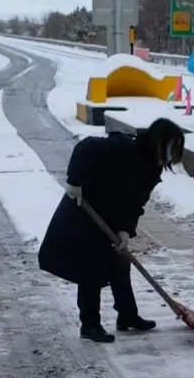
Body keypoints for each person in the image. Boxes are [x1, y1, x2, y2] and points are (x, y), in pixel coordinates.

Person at [38, 118, 186, 343]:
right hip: (85, 210)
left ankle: (127, 315)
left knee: (120, 264)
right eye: (171, 147)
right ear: (159, 141)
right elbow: (84, 147)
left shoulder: (152, 169)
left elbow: (136, 204)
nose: (172, 154)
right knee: (90, 270)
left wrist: (126, 230)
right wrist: (74, 182)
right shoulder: (124, 148)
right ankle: (90, 325)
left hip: (112, 218)